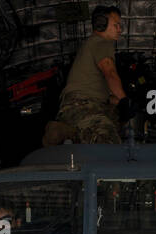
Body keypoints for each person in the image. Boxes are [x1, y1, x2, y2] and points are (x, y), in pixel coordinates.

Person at [55, 6, 128, 144]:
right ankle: (71, 133)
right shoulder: (101, 42)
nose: (120, 29)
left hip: (79, 105)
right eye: (116, 25)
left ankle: (71, 133)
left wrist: (123, 104)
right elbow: (110, 74)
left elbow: (104, 95)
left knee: (117, 120)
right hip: (81, 105)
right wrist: (125, 102)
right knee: (109, 142)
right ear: (101, 25)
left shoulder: (92, 44)